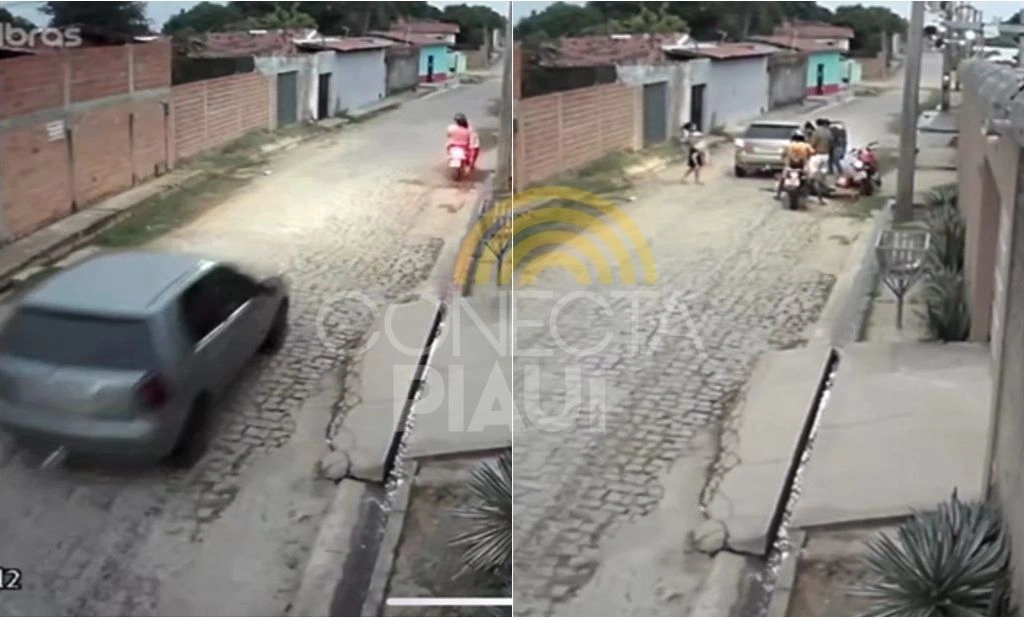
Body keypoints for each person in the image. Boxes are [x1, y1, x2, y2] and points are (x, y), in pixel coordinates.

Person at [776, 131, 823, 204]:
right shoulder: (806, 145)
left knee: (782, 179)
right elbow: (813, 153)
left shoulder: (788, 145)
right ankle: (820, 199)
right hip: (803, 166)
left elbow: (783, 156)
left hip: (790, 166)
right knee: (813, 181)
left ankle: (778, 195)